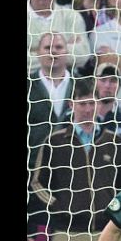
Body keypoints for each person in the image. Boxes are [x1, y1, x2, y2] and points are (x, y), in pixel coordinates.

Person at [29, 77, 121, 241]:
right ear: (71, 105)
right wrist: (57, 205)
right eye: (82, 103)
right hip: (67, 233)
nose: (87, 109)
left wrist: (117, 208)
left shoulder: (115, 142)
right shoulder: (55, 142)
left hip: (110, 232)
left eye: (91, 102)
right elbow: (37, 182)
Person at [27, 0, 92, 74]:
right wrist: (64, 46)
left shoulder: (71, 17)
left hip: (68, 86)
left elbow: (83, 54)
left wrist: (35, 51)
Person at [28, 32, 74, 169]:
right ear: (37, 52)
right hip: (33, 164)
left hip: (72, 164)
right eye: (47, 47)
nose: (53, 51)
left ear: (67, 51)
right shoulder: (29, 85)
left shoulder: (81, 85)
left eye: (59, 47)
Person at [93, 62, 121, 143]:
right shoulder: (77, 116)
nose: (107, 85)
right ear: (94, 82)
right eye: (103, 80)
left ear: (119, 86)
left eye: (113, 80)